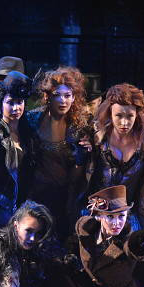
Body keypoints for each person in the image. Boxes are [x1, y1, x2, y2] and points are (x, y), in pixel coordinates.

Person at [84, 83, 144, 231]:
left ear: (137, 115)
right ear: (110, 113)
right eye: (119, 116)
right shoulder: (97, 136)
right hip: (96, 212)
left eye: (130, 116)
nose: (124, 123)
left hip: (127, 215)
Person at [26, 66, 90, 243]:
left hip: (65, 197)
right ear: (47, 97)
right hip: (35, 195)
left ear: (74, 97)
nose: (62, 101)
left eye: (67, 95)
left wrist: (82, 156)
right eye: (57, 95)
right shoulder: (33, 120)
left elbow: (77, 175)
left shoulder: (79, 127)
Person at [0, 71, 40, 248]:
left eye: (19, 102)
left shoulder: (29, 134)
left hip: (20, 208)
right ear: (1, 103)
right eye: (10, 102)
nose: (15, 108)